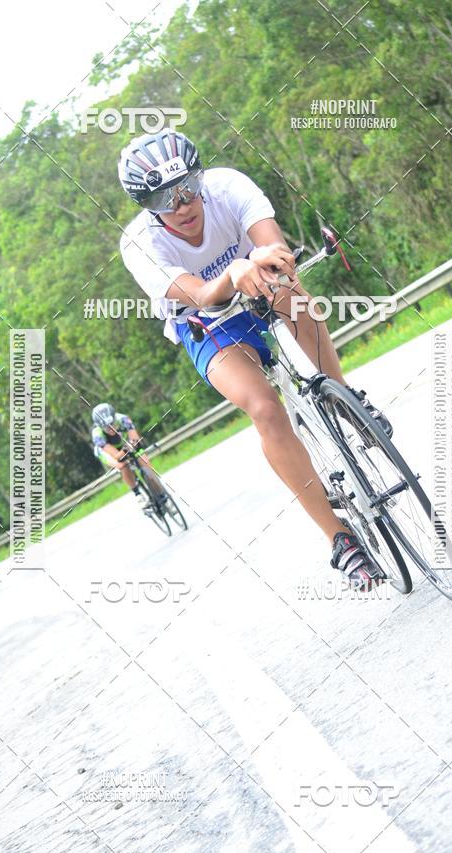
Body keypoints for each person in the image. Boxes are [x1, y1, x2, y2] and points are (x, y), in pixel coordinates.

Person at [118, 129, 390, 589]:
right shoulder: (139, 243)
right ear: (146, 205)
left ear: (201, 176)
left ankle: (345, 400)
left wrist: (264, 260)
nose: (182, 204)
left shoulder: (228, 186)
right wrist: (233, 270)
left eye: (188, 186)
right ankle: (339, 538)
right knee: (264, 408)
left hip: (261, 284)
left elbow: (275, 250)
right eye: (164, 198)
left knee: (287, 286)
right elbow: (201, 294)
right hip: (206, 322)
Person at [91, 403, 167, 506]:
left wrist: (133, 446)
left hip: (125, 443)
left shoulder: (123, 419)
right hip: (107, 452)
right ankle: (137, 494)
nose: (111, 428)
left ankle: (161, 493)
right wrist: (126, 449)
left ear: (115, 418)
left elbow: (135, 440)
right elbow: (117, 456)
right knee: (122, 465)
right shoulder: (97, 435)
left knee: (145, 464)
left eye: (112, 424)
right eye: (106, 427)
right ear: (100, 427)